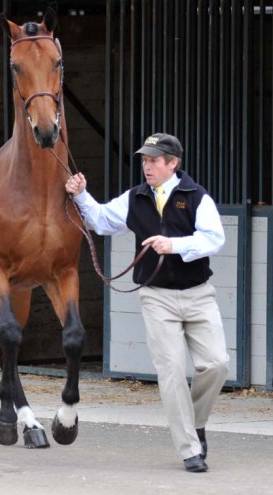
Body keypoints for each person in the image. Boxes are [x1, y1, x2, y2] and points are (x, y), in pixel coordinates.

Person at [66, 133, 229, 473]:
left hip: (199, 295)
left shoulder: (196, 197)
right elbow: (101, 221)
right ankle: (190, 450)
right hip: (156, 297)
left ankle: (195, 424)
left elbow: (214, 239)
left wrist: (174, 245)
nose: (147, 166)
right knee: (171, 372)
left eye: (154, 160)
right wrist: (81, 195)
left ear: (173, 163)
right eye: (145, 160)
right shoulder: (135, 198)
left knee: (216, 364)